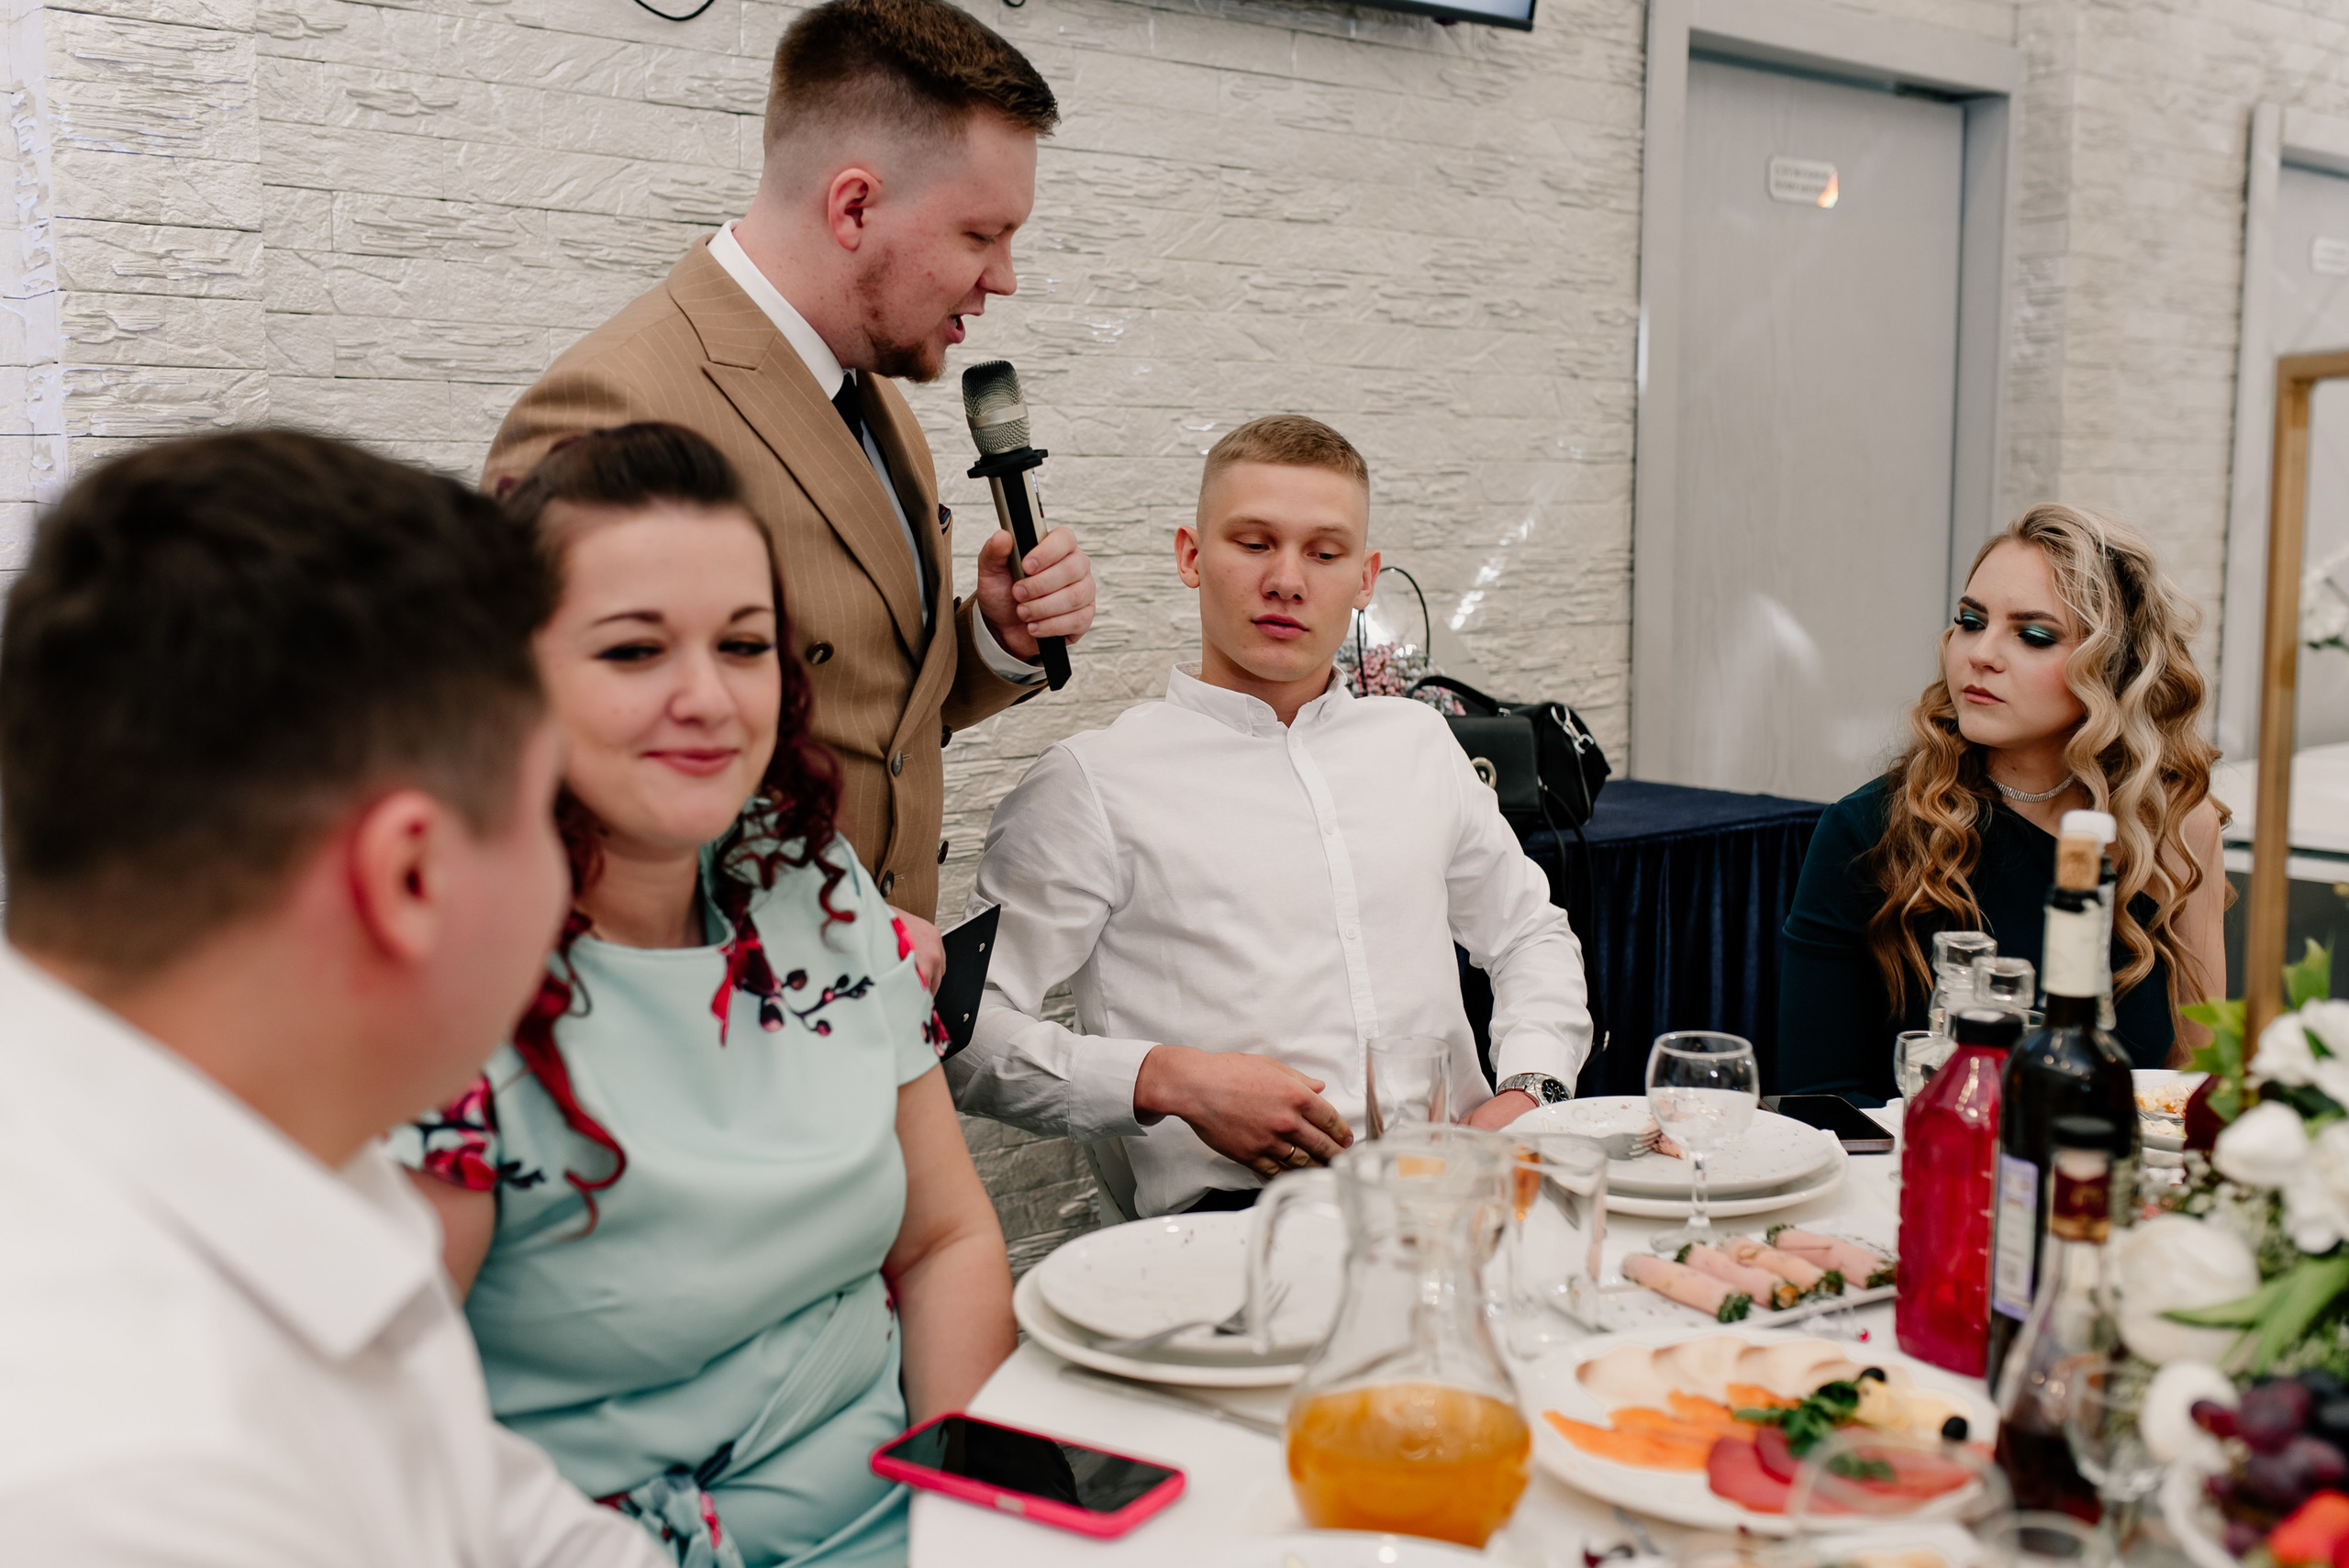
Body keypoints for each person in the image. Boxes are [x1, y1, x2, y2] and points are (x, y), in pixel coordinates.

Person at [0, 431, 666, 1566]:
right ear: (410, 877)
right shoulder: (130, 1480)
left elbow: (505, 1520)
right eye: (546, 810)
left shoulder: (273, 1115)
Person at [396, 424, 1015, 1568]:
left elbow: (942, 1239)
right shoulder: (444, 987)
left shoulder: (807, 878)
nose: (707, 699)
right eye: (634, 651)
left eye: (742, 645)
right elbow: (379, 1428)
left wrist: (973, 1519)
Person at [483, 0, 1096, 923]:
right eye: (980, 235)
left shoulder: (876, 396)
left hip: (876, 1020)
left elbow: (862, 717)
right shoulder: (613, 408)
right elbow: (544, 790)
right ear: (853, 205)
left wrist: (990, 641)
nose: (1004, 275)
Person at [948, 416, 1593, 1219]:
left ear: (1365, 577)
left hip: (1462, 1194)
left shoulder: (1421, 744)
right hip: (1237, 1231)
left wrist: (1531, 1089)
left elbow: (1529, 933)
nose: (1288, 579)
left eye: (1324, 553)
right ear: (1191, 554)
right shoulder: (1094, 783)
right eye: (1254, 543)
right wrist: (1169, 1079)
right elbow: (962, 1037)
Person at [1776, 504, 2228, 1097]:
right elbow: (1818, 1094)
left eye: (2033, 635)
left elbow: (2199, 1075)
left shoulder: (2171, 825)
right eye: (1970, 620)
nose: (1980, 653)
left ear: (2115, 667)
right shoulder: (1866, 832)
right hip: (1919, 1177)